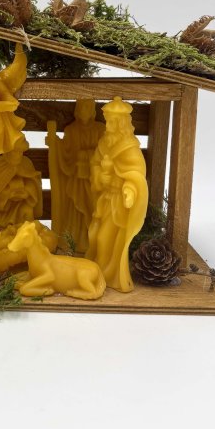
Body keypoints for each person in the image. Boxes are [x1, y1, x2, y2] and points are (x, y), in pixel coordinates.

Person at [85, 97, 148, 292]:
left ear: (122, 123)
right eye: (107, 121)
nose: (108, 126)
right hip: (106, 200)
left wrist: (130, 191)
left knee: (105, 239)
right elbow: (95, 163)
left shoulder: (129, 147)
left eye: (112, 122)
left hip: (119, 202)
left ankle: (108, 275)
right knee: (97, 237)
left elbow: (136, 173)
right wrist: (99, 176)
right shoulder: (104, 142)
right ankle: (100, 273)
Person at [47, 98, 104, 252]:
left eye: (88, 107)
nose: (84, 111)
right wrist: (55, 143)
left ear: (92, 111)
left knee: (93, 208)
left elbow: (104, 152)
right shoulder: (71, 130)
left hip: (94, 180)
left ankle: (93, 242)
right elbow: (66, 152)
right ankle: (73, 241)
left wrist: (87, 155)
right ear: (77, 111)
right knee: (75, 208)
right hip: (76, 179)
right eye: (82, 107)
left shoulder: (100, 130)